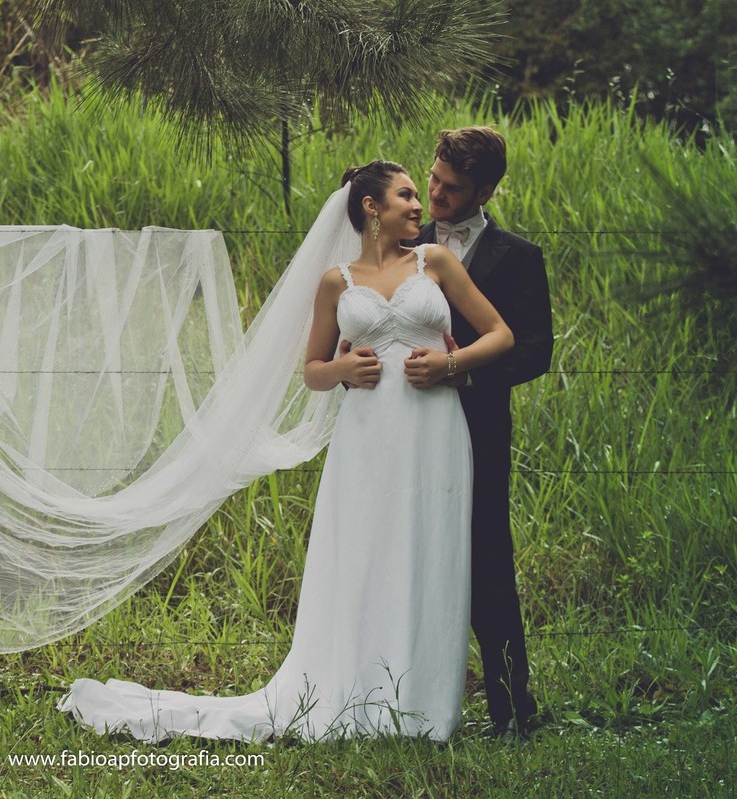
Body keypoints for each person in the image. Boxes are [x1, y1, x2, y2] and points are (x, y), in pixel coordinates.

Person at [57, 161, 514, 743]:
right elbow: (313, 372)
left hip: (435, 431)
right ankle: (357, 691)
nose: (418, 204)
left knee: (429, 548)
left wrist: (451, 363)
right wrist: (344, 367)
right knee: (367, 552)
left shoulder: (436, 264)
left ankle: (423, 709)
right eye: (404, 195)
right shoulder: (336, 282)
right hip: (368, 436)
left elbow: (500, 334)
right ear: (371, 206)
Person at [414, 127, 554, 740]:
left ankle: (511, 709)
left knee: (487, 560)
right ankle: (397, 698)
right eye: (434, 179)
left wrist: (460, 373)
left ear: (487, 190)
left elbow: (534, 352)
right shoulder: (398, 240)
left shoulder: (517, 257)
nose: (436, 195)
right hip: (403, 429)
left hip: (478, 428)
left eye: (453, 188)